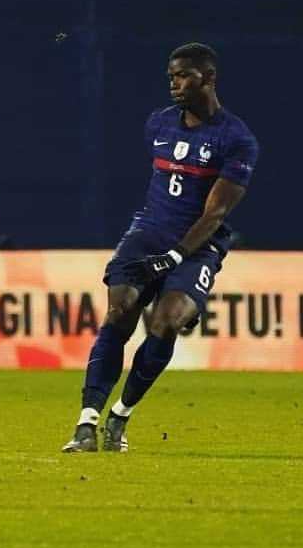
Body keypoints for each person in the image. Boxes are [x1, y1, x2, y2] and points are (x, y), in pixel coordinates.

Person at [61, 43, 258, 453]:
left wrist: (174, 258)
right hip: (148, 231)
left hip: (200, 245)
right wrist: (157, 247)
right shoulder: (158, 124)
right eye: (170, 76)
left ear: (208, 78)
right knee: (120, 310)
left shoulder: (237, 140)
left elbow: (215, 214)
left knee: (167, 321)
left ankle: (120, 416)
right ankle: (86, 422)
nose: (174, 83)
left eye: (183, 75)